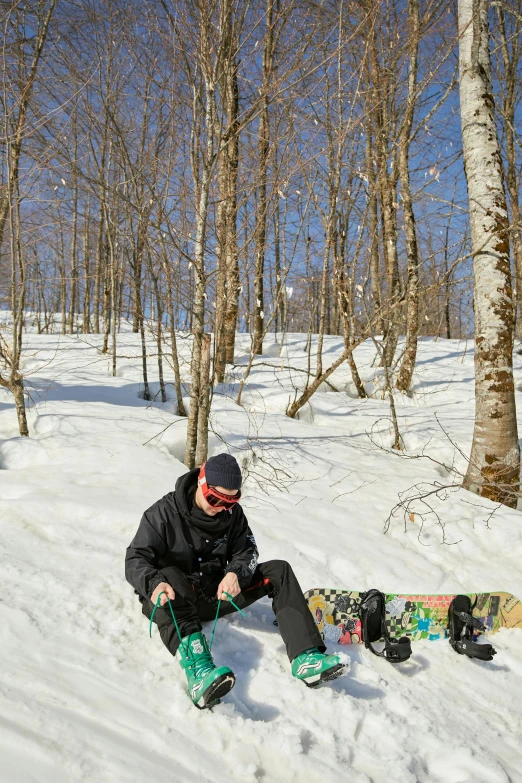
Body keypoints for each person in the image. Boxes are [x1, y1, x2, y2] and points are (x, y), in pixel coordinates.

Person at [125, 453, 346, 709]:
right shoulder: (162, 514)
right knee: (171, 576)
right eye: (214, 498)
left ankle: (306, 657)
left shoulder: (233, 516)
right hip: (173, 601)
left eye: (229, 502)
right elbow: (135, 558)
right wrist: (153, 584)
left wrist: (235, 574)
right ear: (201, 483)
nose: (220, 507)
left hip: (218, 596)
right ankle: (200, 675)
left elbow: (247, 551)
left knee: (279, 570)